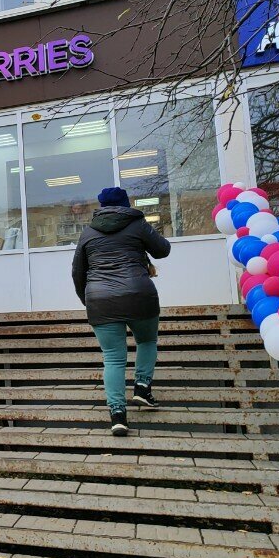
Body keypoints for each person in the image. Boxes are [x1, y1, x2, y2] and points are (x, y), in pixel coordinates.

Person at [71, 187, 171, 436]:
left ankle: (118, 415)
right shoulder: (138, 224)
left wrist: (88, 299)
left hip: (101, 301)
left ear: (101, 207)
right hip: (139, 295)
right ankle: (142, 387)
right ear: (126, 204)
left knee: (113, 358)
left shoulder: (88, 232)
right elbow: (163, 250)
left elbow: (77, 272)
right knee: (146, 341)